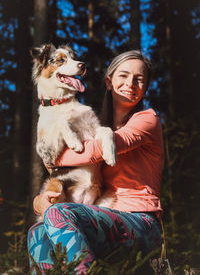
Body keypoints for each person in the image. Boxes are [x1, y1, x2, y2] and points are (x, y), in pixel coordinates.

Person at [27, 50, 164, 274]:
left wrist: (52, 158)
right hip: (100, 212)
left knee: (59, 214)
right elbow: (71, 171)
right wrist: (40, 200)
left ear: (146, 86)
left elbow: (94, 152)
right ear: (109, 82)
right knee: (38, 232)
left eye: (139, 79)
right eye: (123, 75)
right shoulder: (96, 122)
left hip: (141, 222)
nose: (130, 83)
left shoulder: (147, 119)